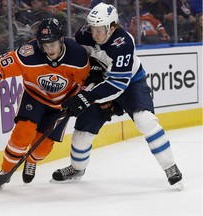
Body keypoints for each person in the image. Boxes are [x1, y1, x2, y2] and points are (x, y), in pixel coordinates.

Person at [51, 3, 183, 190]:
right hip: (100, 84)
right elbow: (82, 57)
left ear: (112, 27)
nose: (94, 34)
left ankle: (170, 166)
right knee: (81, 133)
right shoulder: (84, 34)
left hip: (130, 85)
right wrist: (91, 74)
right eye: (92, 29)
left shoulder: (123, 43)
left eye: (99, 30)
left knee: (146, 120)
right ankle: (77, 168)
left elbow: (117, 84)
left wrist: (87, 97)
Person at [0, 17, 91, 191]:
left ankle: (31, 160)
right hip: (34, 97)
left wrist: (82, 99)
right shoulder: (29, 52)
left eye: (53, 44)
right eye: (44, 45)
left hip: (61, 106)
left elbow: (87, 85)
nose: (49, 49)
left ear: (61, 40)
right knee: (22, 133)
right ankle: (4, 172)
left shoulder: (78, 56)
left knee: (41, 150)